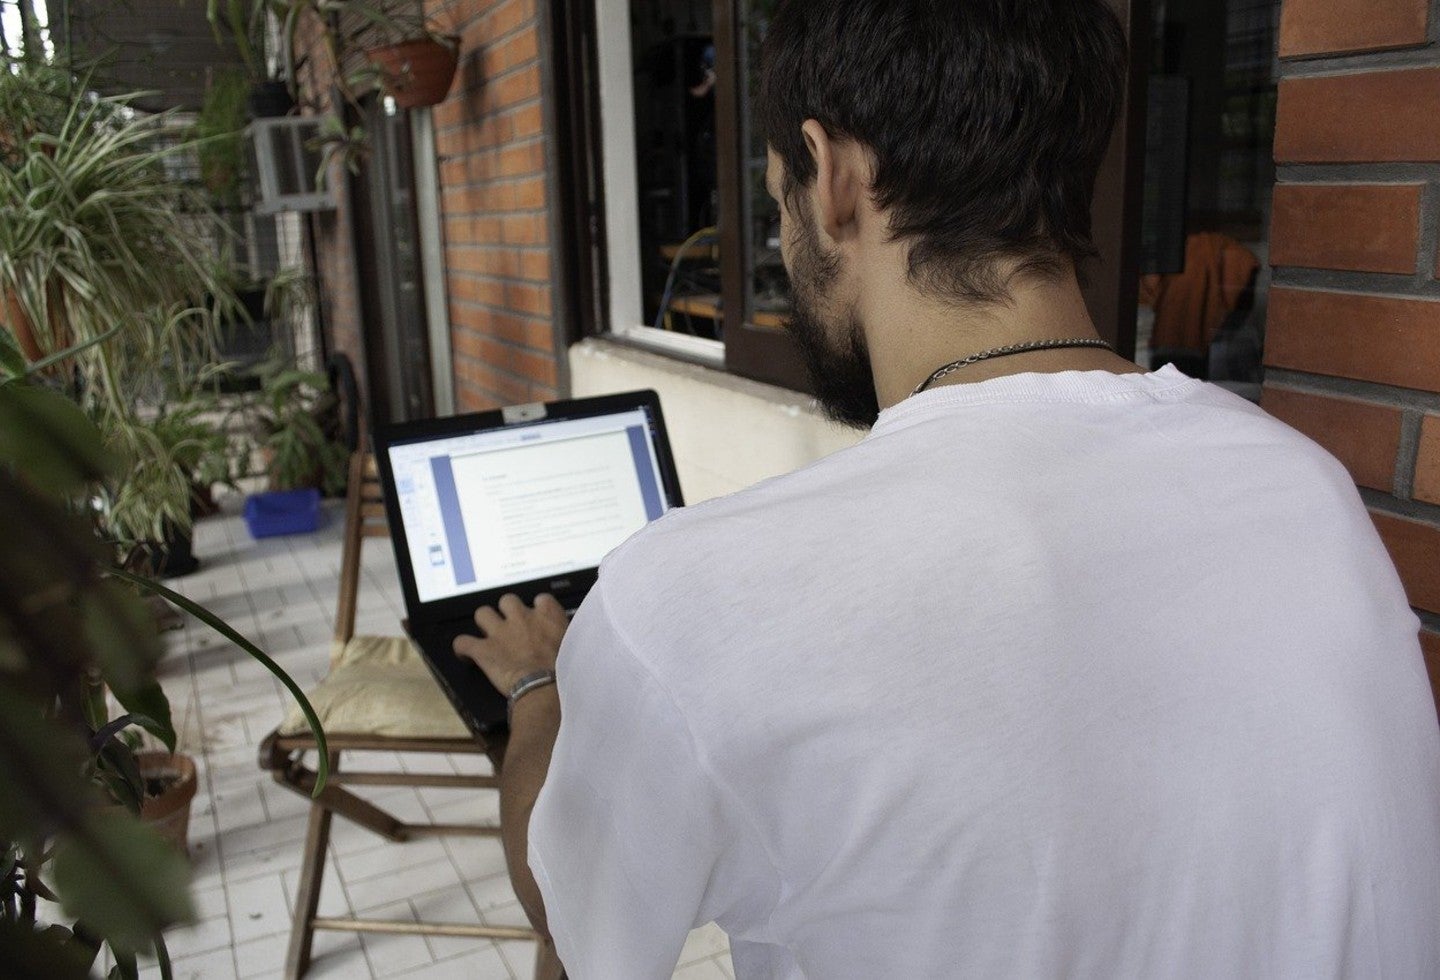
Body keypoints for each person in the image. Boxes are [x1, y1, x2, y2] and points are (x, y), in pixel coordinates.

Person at [454, 1, 1440, 976]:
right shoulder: (1306, 491)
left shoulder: (691, 598)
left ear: (832, 175)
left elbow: (569, 909)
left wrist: (539, 687)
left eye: (776, 198)